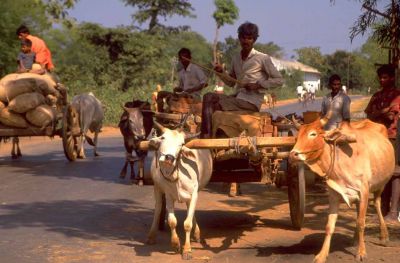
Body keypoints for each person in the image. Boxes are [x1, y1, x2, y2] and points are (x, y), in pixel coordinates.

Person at [200, 22, 283, 139]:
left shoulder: (262, 58)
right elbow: (231, 82)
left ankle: (206, 136)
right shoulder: (236, 58)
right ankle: (210, 135)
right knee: (208, 96)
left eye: (249, 38)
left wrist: (258, 85)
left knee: (212, 101)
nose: (246, 41)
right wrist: (220, 72)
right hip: (237, 98)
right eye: (243, 38)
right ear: (239, 38)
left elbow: (279, 80)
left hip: (251, 102)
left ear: (254, 40)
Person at [365, 64, 400, 224]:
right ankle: (382, 210)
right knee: (380, 173)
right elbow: (368, 115)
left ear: (392, 78)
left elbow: (391, 117)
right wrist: (382, 112)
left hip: (392, 137)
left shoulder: (397, 95)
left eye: (385, 77)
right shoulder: (377, 96)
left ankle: (393, 212)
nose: (381, 80)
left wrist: (380, 113)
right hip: (376, 139)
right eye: (380, 77)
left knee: (394, 173)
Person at [156, 48, 207, 112]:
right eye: (182, 58)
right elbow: (182, 88)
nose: (184, 60)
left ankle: (171, 109)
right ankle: (161, 113)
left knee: (175, 99)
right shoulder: (181, 72)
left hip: (194, 96)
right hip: (183, 94)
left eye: (186, 57)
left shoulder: (196, 69)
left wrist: (192, 90)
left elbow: (205, 83)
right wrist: (177, 89)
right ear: (180, 59)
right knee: (160, 94)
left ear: (190, 58)